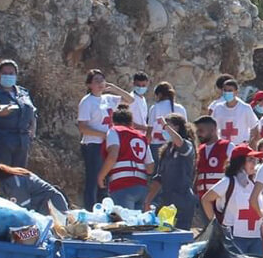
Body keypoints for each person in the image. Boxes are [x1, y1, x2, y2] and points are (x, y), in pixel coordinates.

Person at [78, 69, 134, 207]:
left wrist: (114, 88)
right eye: (96, 81)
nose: (99, 83)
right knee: (93, 179)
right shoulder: (87, 102)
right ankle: (90, 209)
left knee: (105, 179)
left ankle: (103, 208)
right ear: (89, 84)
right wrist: (103, 135)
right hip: (93, 144)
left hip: (107, 145)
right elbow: (82, 127)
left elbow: (130, 100)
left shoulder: (108, 98)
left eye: (101, 80)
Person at [202, 144, 263, 255]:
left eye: (255, 160)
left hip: (256, 239)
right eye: (250, 160)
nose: (255, 163)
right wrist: (215, 226)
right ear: (240, 162)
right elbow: (206, 199)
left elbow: (260, 215)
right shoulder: (228, 182)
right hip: (234, 238)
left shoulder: (254, 184)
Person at [144, 114, 196, 230]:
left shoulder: (187, 145)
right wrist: (148, 200)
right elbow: (159, 178)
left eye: (168, 127)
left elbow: (180, 143)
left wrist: (165, 125)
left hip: (183, 199)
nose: (164, 130)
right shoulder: (166, 151)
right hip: (167, 199)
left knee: (181, 233)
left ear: (177, 128)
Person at [97, 107, 154, 210]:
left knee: (124, 224)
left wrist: (101, 176)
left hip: (122, 186)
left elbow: (112, 156)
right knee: (138, 224)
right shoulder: (142, 137)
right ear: (131, 122)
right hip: (141, 188)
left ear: (113, 121)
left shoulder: (114, 131)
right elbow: (150, 167)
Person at [0, 162, 68, 215]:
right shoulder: (0, 186)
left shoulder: (14, 185)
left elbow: (23, 214)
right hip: (38, 210)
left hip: (53, 208)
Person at [0, 59, 36, 168]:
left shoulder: (23, 92)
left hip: (22, 142)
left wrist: (32, 129)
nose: (8, 76)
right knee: (2, 175)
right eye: (4, 73)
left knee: (19, 176)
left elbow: (32, 111)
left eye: (11, 73)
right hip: (1, 141)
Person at [193, 116, 235, 222]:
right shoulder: (200, 149)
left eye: (201, 131)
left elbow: (236, 170)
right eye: (197, 131)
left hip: (221, 197)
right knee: (209, 230)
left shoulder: (227, 146)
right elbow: (198, 173)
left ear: (212, 130)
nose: (198, 134)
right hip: (203, 198)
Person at [147, 81, 188, 162]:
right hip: (176, 144)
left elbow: (149, 132)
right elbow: (186, 128)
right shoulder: (180, 108)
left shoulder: (154, 108)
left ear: (159, 95)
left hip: (157, 145)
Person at [211, 79, 257, 147]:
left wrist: (250, 145)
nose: (227, 93)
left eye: (230, 91)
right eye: (225, 90)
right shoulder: (218, 108)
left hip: (240, 147)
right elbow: (213, 128)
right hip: (223, 146)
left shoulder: (245, 108)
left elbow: (254, 128)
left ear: (236, 92)